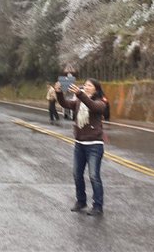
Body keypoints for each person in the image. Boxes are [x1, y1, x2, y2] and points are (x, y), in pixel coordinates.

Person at [55, 78, 106, 216]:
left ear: (96, 89)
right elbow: (64, 103)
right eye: (86, 85)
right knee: (77, 174)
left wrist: (80, 94)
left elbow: (93, 107)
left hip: (94, 145)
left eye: (90, 85)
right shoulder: (79, 101)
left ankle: (98, 205)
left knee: (94, 176)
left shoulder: (100, 102)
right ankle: (81, 201)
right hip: (80, 144)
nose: (87, 87)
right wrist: (59, 92)